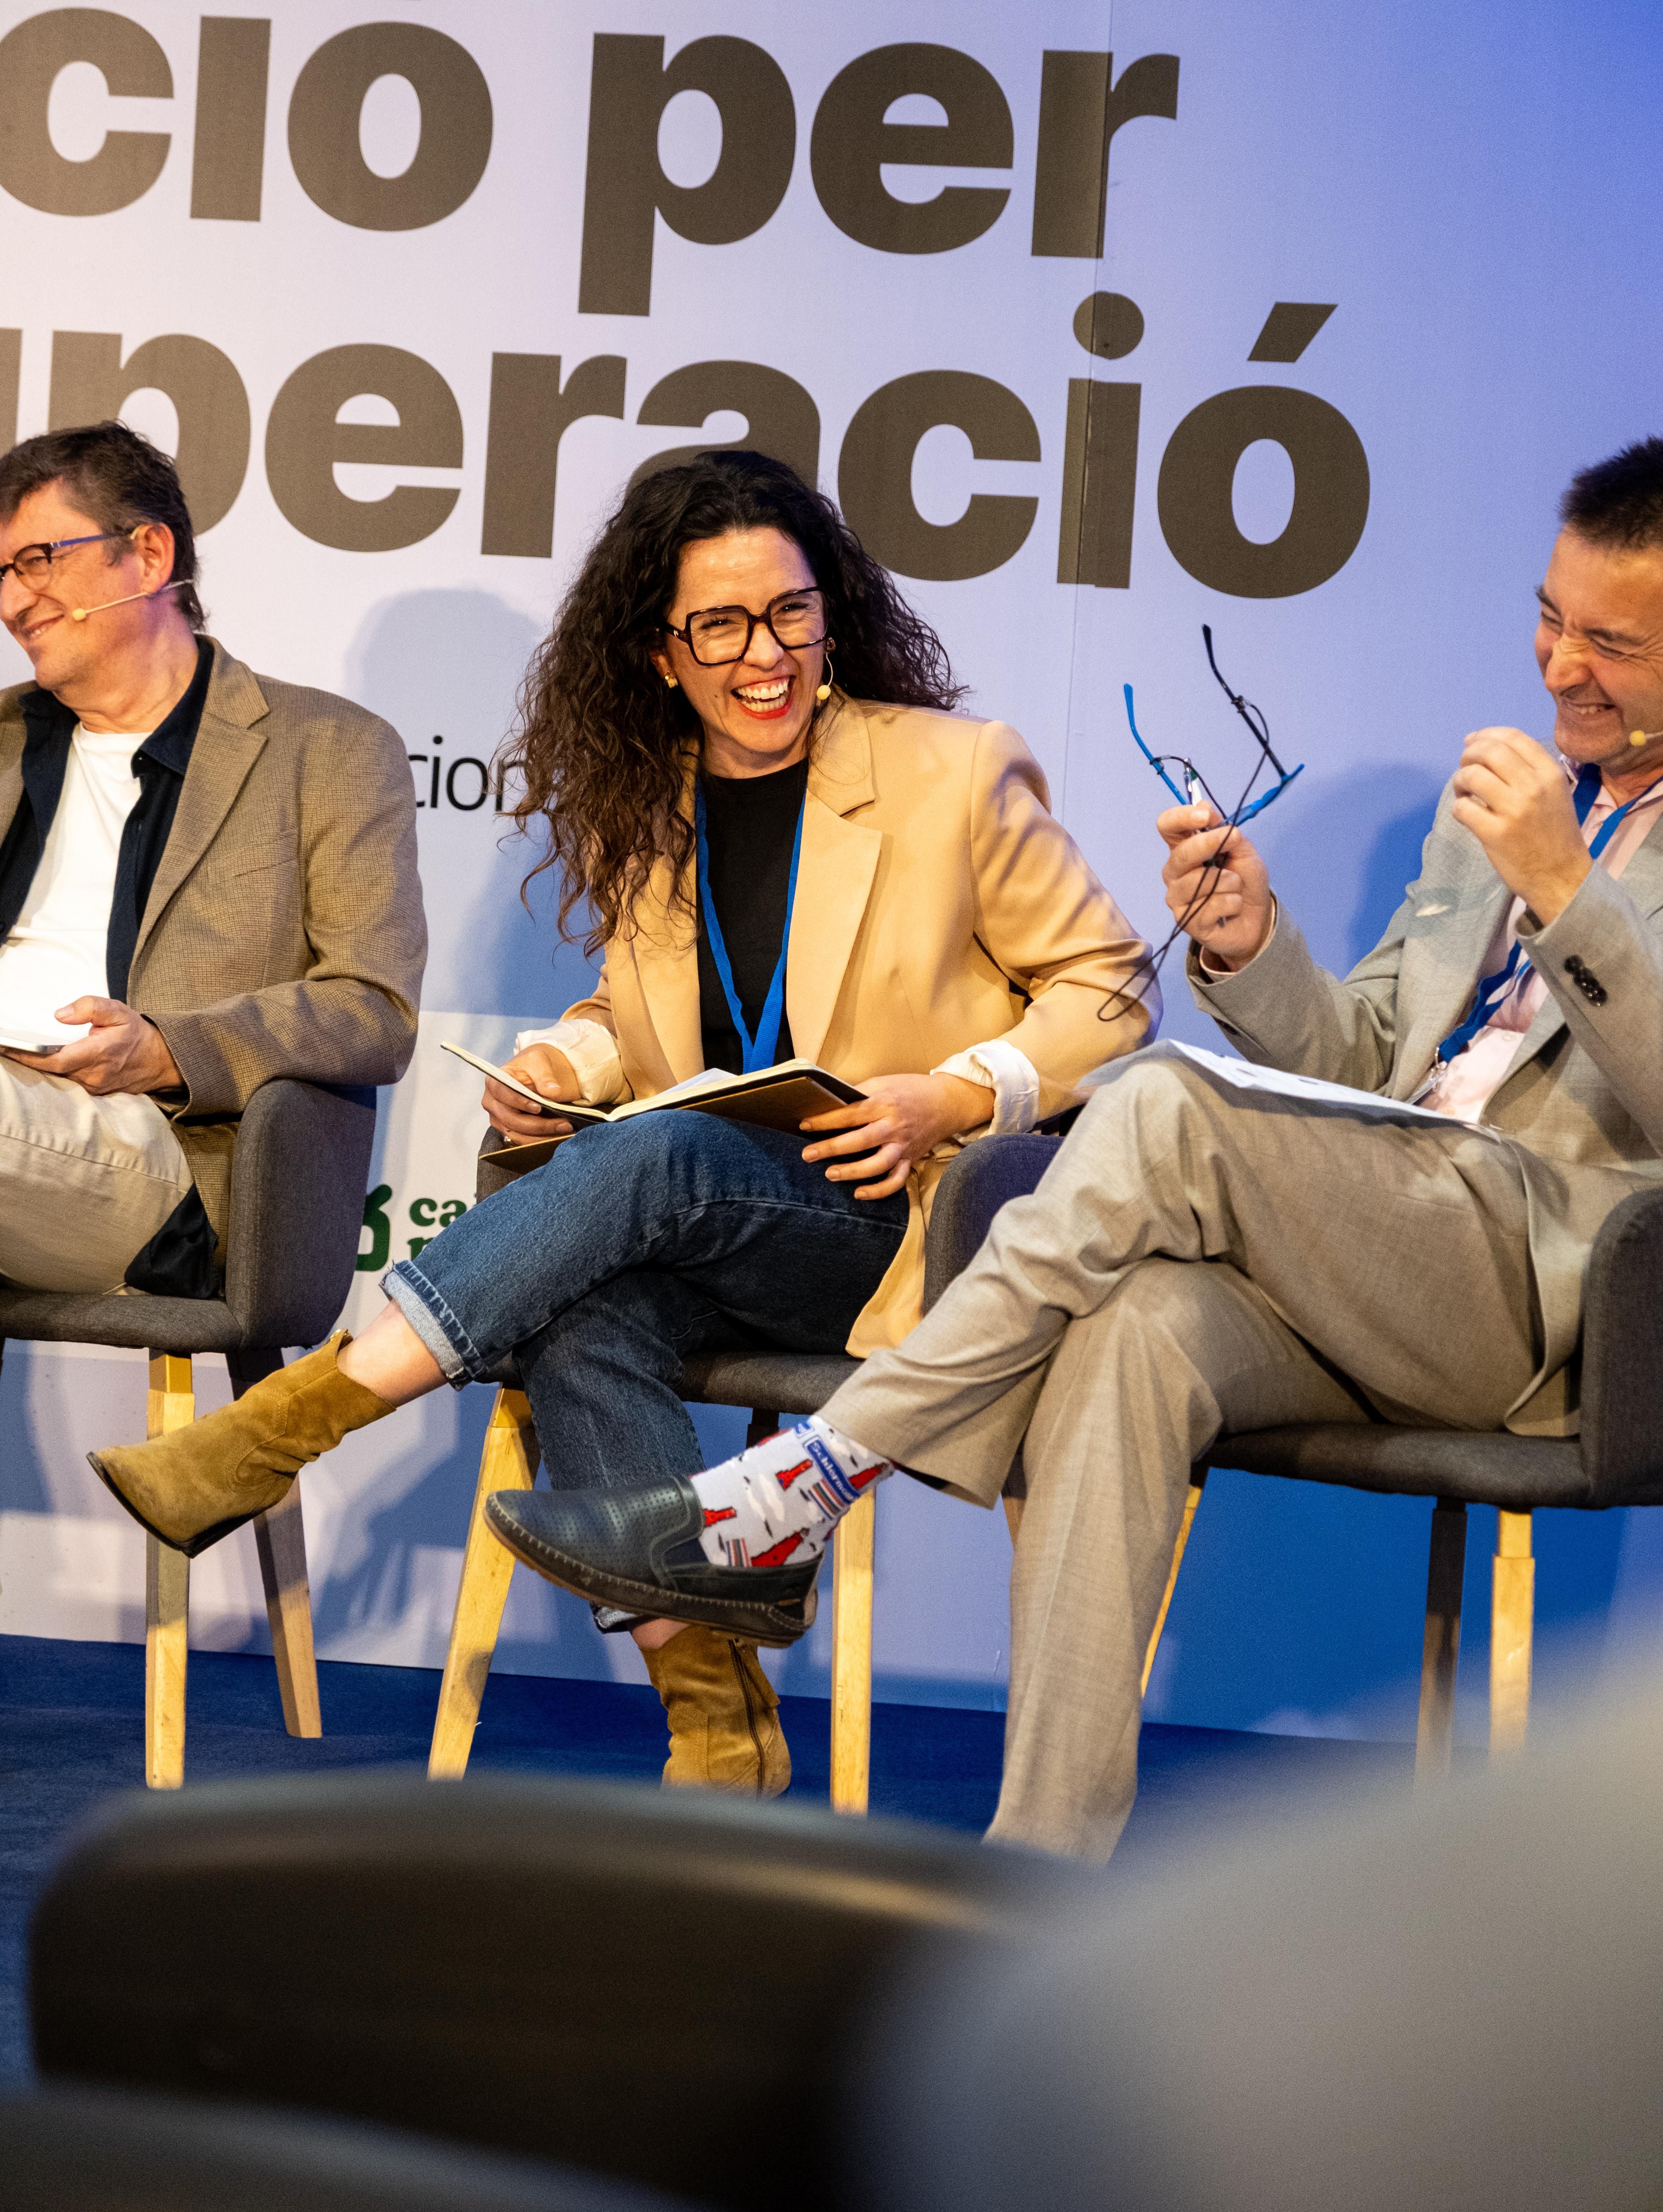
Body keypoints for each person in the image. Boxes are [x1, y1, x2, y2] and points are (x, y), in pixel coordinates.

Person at [452, 435, 1663, 1860]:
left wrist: (1571, 894)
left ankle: (822, 1473)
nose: (1559, 667)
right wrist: (1252, 946)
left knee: (1153, 1097)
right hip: (1382, 1240)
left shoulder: (1541, 838)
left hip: (1545, 1293)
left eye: (1614, 644)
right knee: (1131, 1333)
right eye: (1548, 618)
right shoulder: (1515, 806)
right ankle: (1040, 1864)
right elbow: (1366, 1064)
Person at [92, 448, 1158, 1797]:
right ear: (661, 654)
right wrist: (563, 1061)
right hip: (727, 1217)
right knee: (581, 1313)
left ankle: (288, 1425)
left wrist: (953, 1092)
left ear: (832, 615)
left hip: (902, 1222)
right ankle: (721, 1724)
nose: (761, 654)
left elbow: (1111, 989)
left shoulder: (953, 771)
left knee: (652, 1156)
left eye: (789, 612)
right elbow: (643, 1017)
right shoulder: (654, 806)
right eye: (719, 625)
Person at [0, 420, 423, 1299]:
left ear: (148, 556)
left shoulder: (327, 750)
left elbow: (373, 1008)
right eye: (4, 573)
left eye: (39, 560)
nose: (13, 600)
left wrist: (167, 1049)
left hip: (161, 1155)